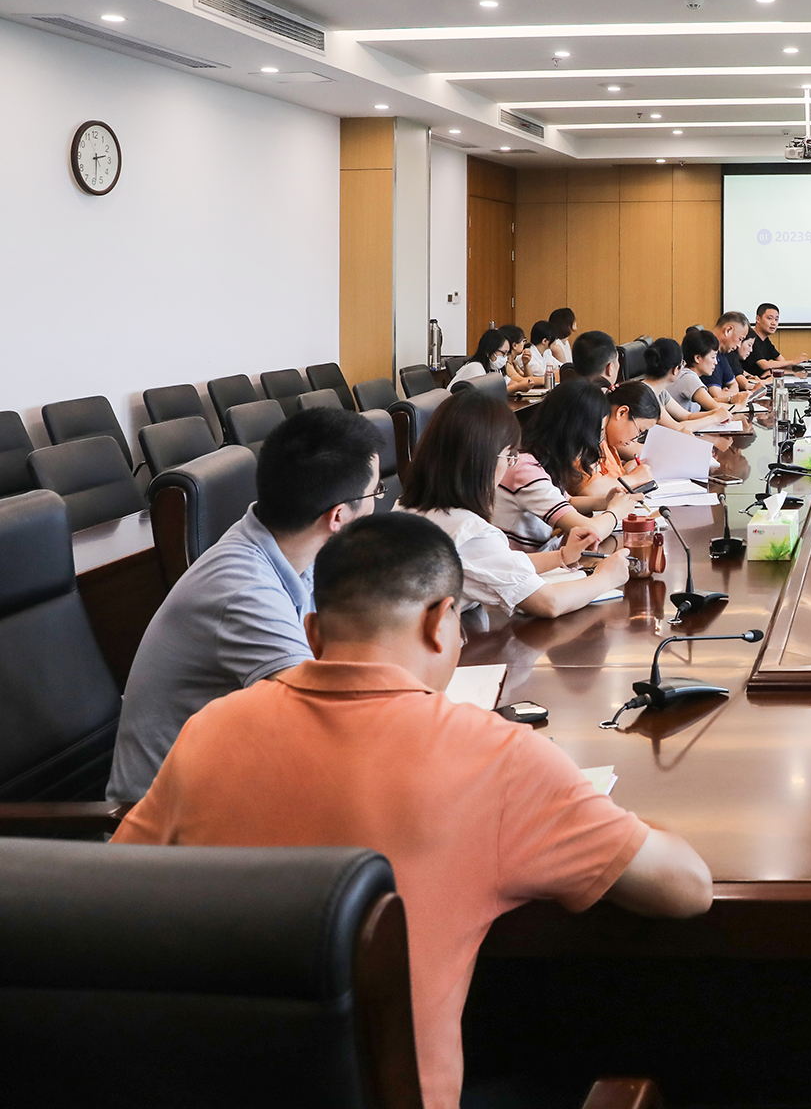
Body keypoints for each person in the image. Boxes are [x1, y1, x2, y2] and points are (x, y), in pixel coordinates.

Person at [112, 512, 712, 1109]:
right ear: (439, 620)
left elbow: (114, 899)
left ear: (312, 631)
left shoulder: (210, 730)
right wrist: (590, 808)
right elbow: (686, 889)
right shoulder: (497, 757)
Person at [106, 408, 382, 800]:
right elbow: (325, 722)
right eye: (376, 492)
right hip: (165, 820)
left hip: (228, 784)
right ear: (337, 516)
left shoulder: (284, 549)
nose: (376, 503)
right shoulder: (244, 590)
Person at [397, 392, 626, 619]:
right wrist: (605, 578)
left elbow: (501, 563)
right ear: (482, 461)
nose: (510, 465)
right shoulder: (470, 533)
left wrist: (562, 556)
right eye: (509, 456)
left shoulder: (404, 509)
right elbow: (550, 603)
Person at [495, 380, 647, 551]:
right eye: (598, 434)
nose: (598, 443)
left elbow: (568, 501)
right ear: (578, 431)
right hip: (520, 563)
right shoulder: (525, 470)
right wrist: (615, 512)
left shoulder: (541, 457)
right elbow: (590, 532)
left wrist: (605, 501)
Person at [640, 337, 733, 432]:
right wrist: (715, 418)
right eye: (682, 364)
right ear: (675, 370)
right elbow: (678, 428)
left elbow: (687, 416)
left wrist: (715, 413)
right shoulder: (645, 396)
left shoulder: (660, 391)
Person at [676, 327, 747, 410]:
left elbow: (709, 401)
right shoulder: (689, 378)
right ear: (697, 358)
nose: (716, 362)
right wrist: (740, 406)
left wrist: (730, 399)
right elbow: (714, 407)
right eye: (713, 357)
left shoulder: (686, 374)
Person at [449, 328, 533, 394]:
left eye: (507, 354)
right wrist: (517, 387)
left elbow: (509, 383)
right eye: (502, 353)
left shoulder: (495, 368)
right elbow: (486, 393)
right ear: (489, 350)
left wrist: (520, 386)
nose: (505, 358)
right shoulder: (475, 367)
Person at [744, 302, 805, 376]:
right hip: (748, 380)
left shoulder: (765, 340)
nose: (774, 323)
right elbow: (764, 365)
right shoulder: (750, 337)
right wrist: (793, 362)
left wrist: (799, 364)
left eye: (776, 319)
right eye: (770, 318)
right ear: (758, 319)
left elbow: (781, 360)